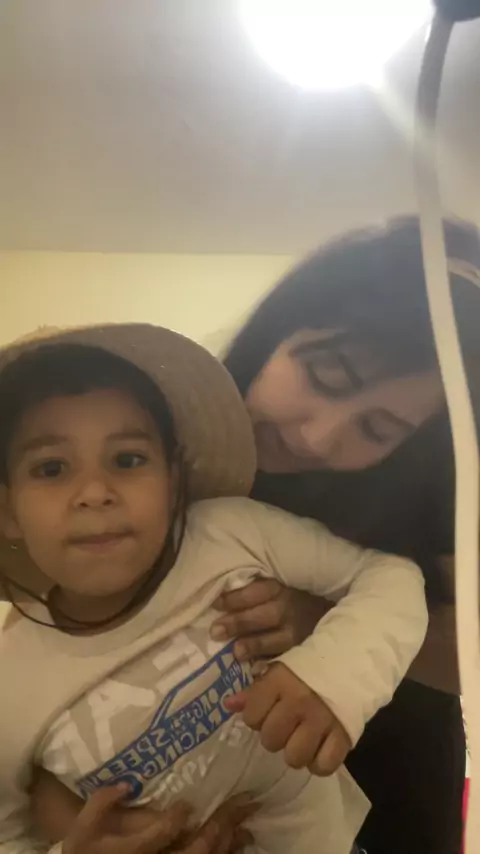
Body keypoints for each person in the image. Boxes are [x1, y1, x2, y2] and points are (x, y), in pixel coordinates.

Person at [0, 324, 427, 854]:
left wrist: (332, 674)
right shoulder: (10, 683)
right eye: (51, 468)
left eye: (128, 460)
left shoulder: (230, 532)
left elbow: (390, 577)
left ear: (174, 478)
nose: (94, 491)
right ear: (8, 511)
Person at [213, 216, 480, 854]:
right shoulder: (156, 447)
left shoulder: (423, 492)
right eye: (327, 376)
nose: (318, 438)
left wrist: (324, 621)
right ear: (280, 326)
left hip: (393, 772)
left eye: (377, 429)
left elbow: (467, 659)